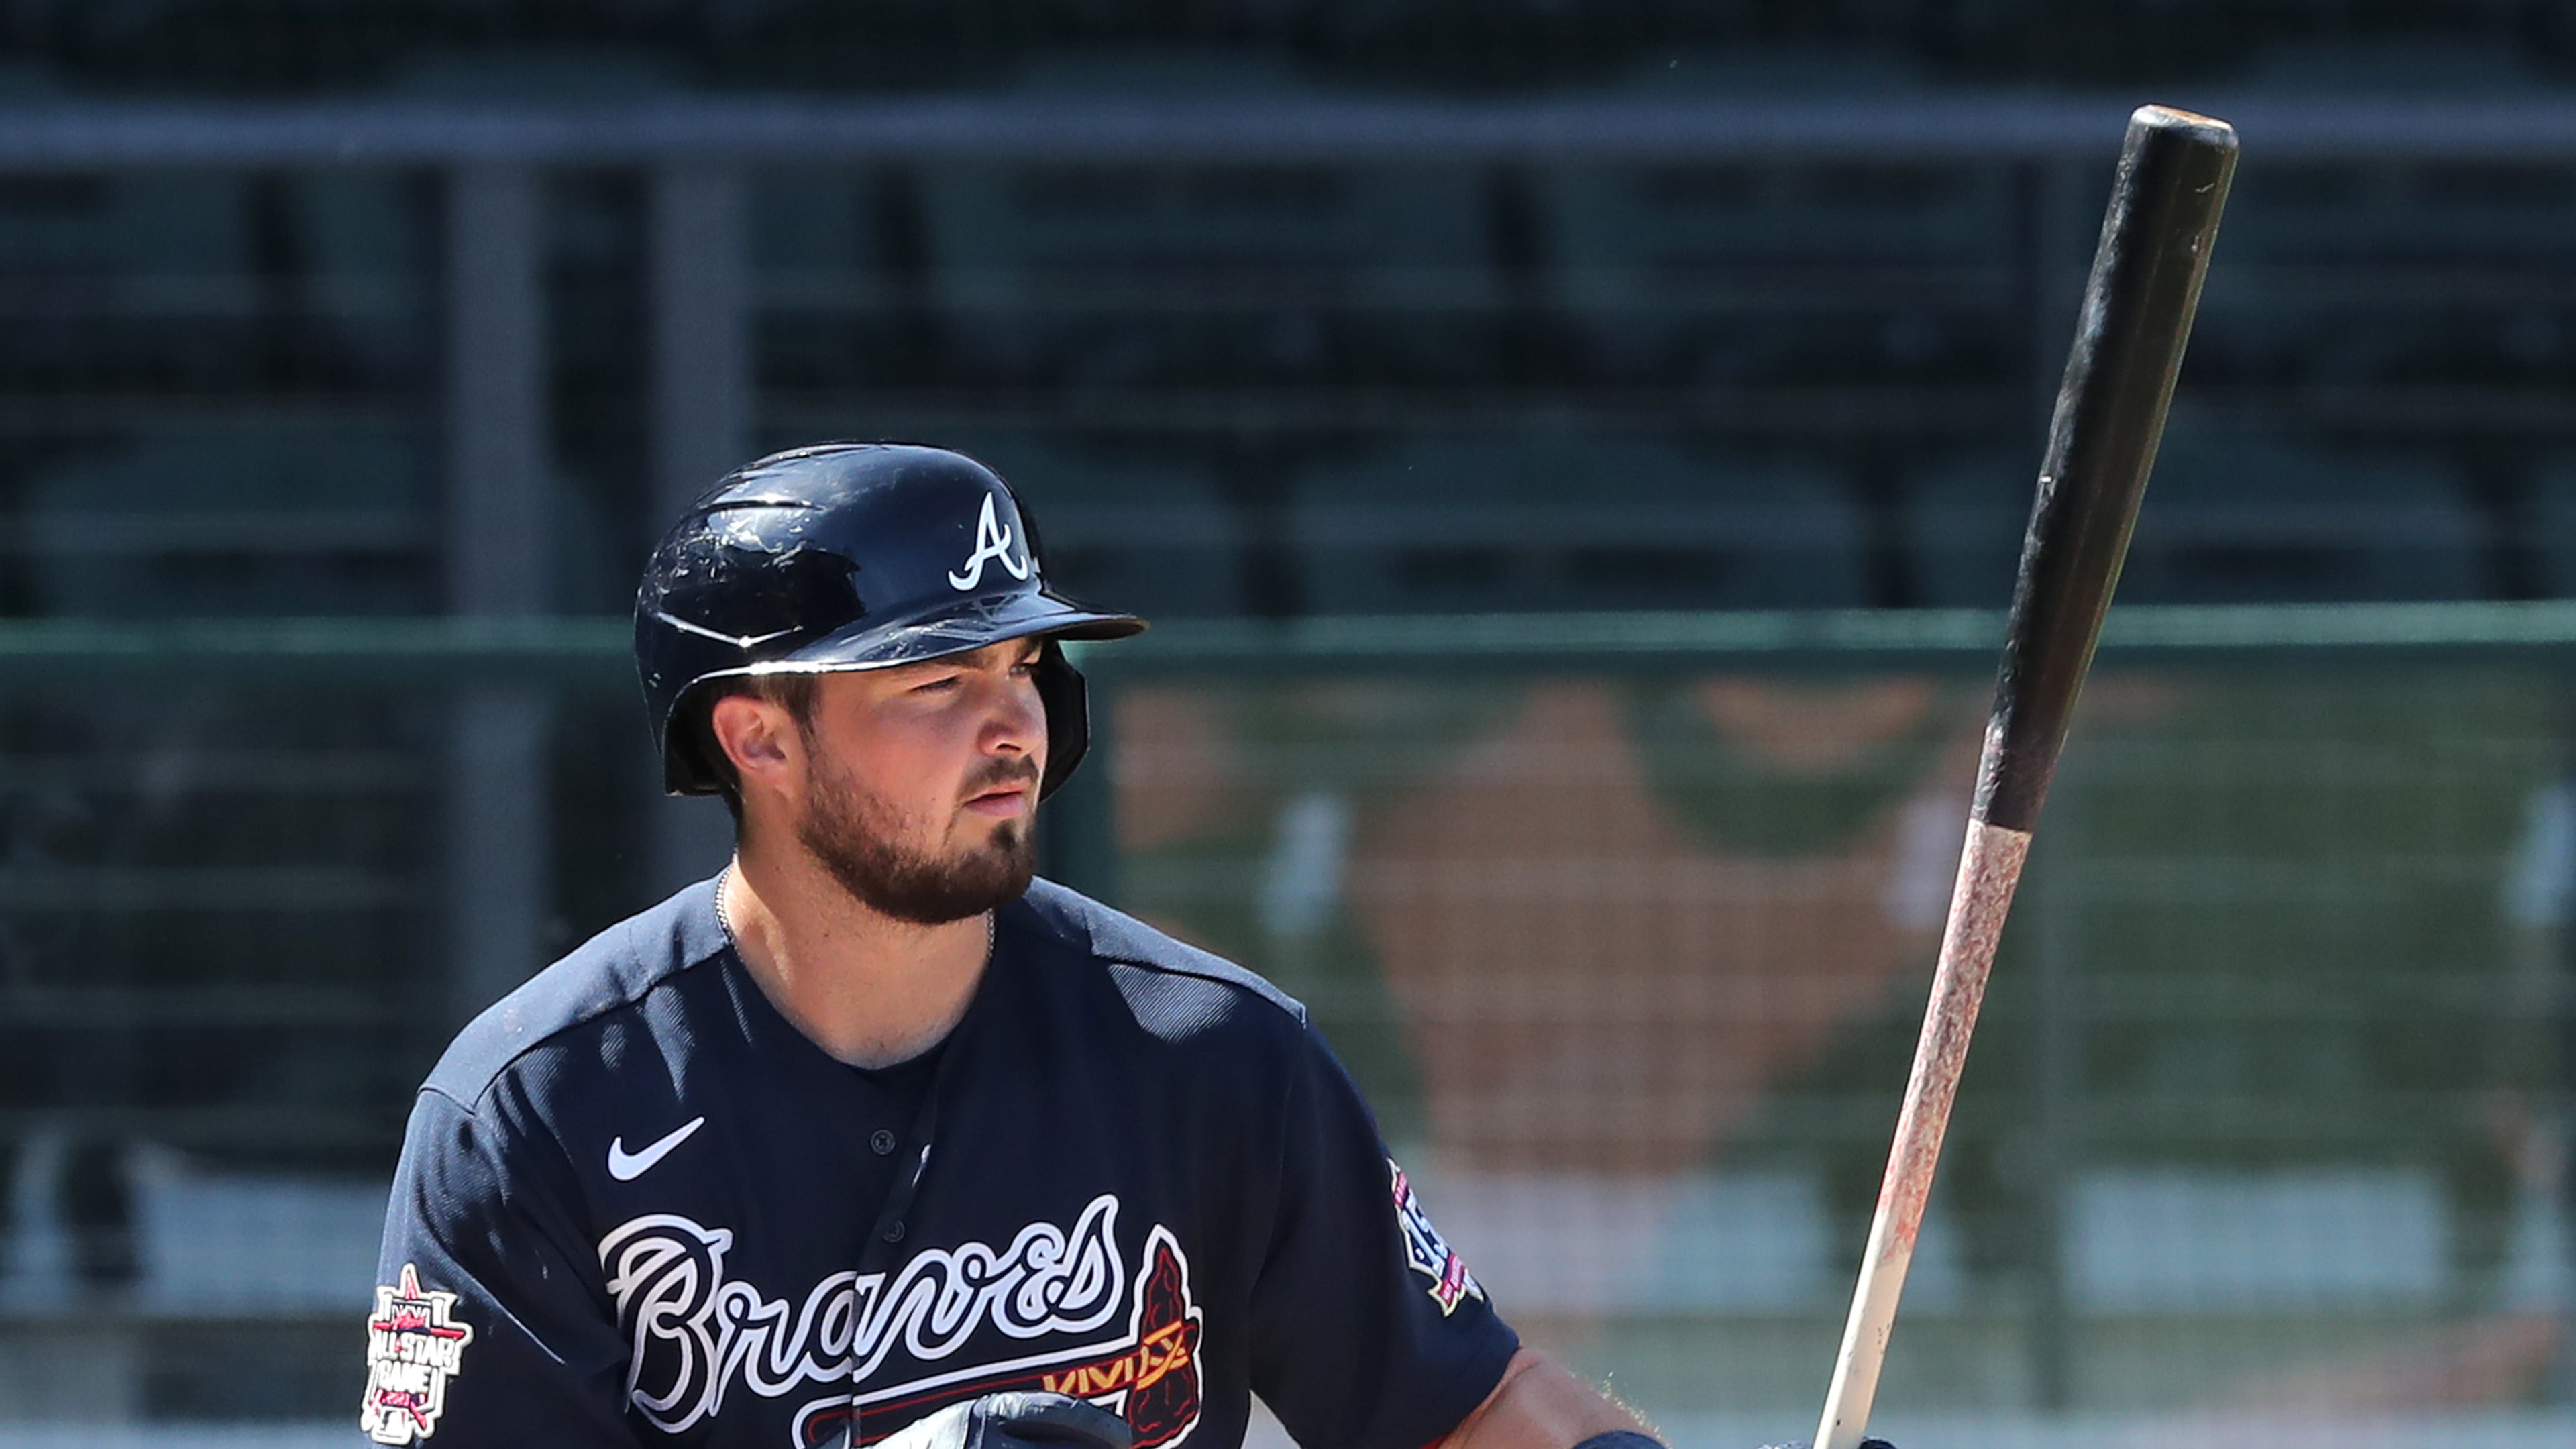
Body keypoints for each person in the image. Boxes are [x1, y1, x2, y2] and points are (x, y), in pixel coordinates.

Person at [364, 442, 1875, 1449]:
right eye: (934, 680)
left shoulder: (1208, 1054)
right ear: (756, 734)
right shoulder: (535, 1114)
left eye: (1024, 663)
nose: (1012, 717)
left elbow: (1465, 1410)